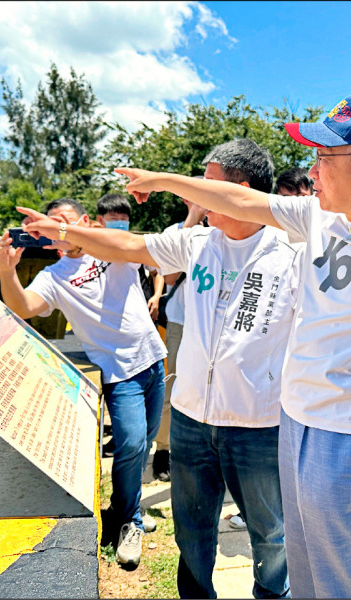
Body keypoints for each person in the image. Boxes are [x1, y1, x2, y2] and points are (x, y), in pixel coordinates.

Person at [114, 94, 351, 598]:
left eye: (323, 159)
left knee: (347, 573)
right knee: (304, 565)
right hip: (296, 419)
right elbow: (242, 201)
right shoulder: (318, 216)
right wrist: (163, 182)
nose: (311, 172)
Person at [19, 138, 297, 600]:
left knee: (270, 536)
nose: (197, 199)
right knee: (192, 533)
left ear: (241, 191)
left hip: (258, 424)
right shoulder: (197, 242)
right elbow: (127, 245)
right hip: (190, 419)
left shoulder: (292, 251)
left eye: (206, 188)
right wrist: (67, 234)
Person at [0, 197, 166, 567]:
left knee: (144, 445)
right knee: (131, 445)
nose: (57, 231)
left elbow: (148, 252)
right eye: (49, 226)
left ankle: (125, 505)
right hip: (120, 373)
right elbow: (23, 307)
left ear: (85, 222)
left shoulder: (109, 249)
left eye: (64, 223)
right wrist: (7, 270)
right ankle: (130, 522)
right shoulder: (53, 277)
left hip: (153, 358)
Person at [151, 193, 208, 483]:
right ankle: (163, 449)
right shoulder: (175, 233)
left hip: (215, 327)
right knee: (171, 384)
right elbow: (170, 276)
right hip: (181, 322)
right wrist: (192, 221)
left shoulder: (228, 231)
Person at [96, 193, 165, 323]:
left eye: (123, 218)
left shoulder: (137, 244)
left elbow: (157, 273)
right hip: (107, 313)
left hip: (141, 311)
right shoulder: (92, 247)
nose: (120, 222)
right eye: (114, 218)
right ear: (100, 220)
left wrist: (156, 297)